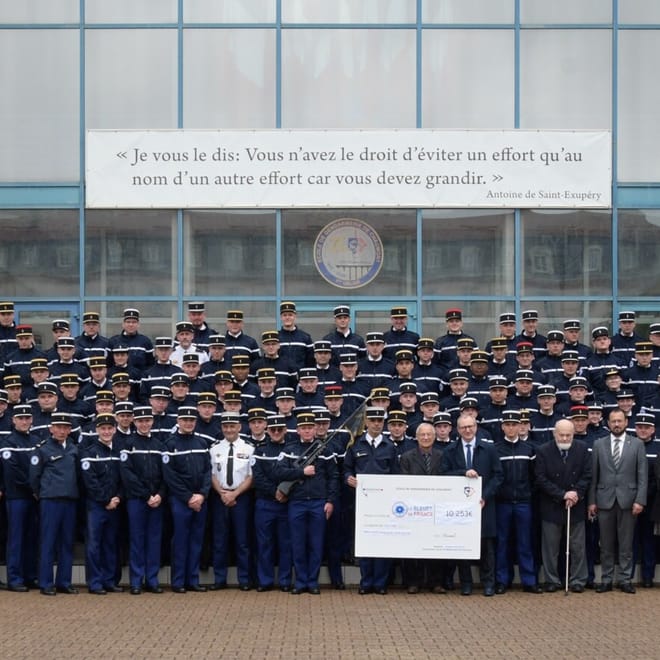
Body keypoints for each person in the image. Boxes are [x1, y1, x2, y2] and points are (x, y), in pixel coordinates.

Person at [440, 413, 503, 596]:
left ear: (476, 427)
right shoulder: (450, 450)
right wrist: (463, 472)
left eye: (470, 426)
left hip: (484, 505)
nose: (467, 430)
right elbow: (444, 475)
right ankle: (466, 583)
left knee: (486, 547)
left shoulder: (489, 449)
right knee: (463, 546)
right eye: (463, 427)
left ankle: (488, 583)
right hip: (460, 509)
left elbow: (499, 475)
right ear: (458, 430)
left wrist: (485, 496)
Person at [276, 411, 338, 594]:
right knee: (297, 543)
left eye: (310, 428)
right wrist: (301, 473)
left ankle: (313, 582)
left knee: (316, 544)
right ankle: (300, 581)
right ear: (298, 430)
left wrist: (331, 501)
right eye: (304, 428)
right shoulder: (289, 450)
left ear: (315, 428)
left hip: (318, 502)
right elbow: (279, 473)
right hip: (297, 502)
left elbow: (334, 477)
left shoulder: (325, 450)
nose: (308, 431)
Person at [588, 408, 648, 594]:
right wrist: (591, 501)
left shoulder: (637, 444)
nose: (616, 424)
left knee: (626, 543)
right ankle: (606, 579)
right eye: (613, 421)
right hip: (604, 500)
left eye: (619, 421)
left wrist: (640, 500)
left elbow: (642, 475)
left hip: (629, 501)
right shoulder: (599, 444)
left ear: (626, 422)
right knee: (605, 543)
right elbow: (593, 476)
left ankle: (624, 579)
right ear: (608, 423)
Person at [344, 406, 398, 594]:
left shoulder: (390, 447)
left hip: (383, 504)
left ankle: (380, 584)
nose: (376, 424)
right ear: (366, 422)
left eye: (380, 421)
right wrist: (348, 478)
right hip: (362, 503)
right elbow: (346, 469)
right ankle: (366, 582)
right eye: (373, 421)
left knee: (382, 544)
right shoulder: (355, 445)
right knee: (365, 543)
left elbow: (396, 474)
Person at [535, 418, 592, 592]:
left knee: (577, 546)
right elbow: (541, 478)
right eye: (562, 435)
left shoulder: (582, 449)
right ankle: (552, 580)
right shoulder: (543, 451)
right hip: (552, 505)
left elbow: (587, 474)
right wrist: (562, 494)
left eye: (568, 435)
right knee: (551, 547)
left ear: (574, 434)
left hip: (575, 504)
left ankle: (577, 580)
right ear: (554, 434)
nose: (565, 439)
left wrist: (575, 493)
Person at [29, 412, 80, 596]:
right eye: (58, 427)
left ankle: (64, 582)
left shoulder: (73, 448)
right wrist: (41, 494)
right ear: (51, 428)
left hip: (70, 501)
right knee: (48, 543)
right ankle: (46, 583)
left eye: (65, 428)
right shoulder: (42, 449)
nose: (61, 431)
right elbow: (34, 478)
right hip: (50, 501)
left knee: (66, 544)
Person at [162, 406, 211, 593]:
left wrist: (202, 494)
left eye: (191, 420)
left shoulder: (202, 443)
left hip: (200, 499)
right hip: (181, 501)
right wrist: (188, 497)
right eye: (185, 420)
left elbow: (208, 471)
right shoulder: (169, 444)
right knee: (181, 541)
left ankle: (193, 579)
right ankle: (178, 581)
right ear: (178, 421)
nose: (188, 423)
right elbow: (170, 476)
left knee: (196, 540)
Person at [119, 405, 167, 594]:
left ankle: (152, 580)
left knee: (154, 540)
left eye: (147, 420)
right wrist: (147, 496)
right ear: (134, 422)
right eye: (140, 421)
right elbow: (127, 475)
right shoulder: (127, 444)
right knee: (137, 540)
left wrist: (160, 495)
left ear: (152, 422)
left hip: (157, 500)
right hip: (137, 500)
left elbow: (166, 474)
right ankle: (137, 581)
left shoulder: (159, 445)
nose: (144, 424)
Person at [493, 410, 542, 594]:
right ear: (503, 426)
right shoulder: (496, 450)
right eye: (508, 424)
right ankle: (502, 581)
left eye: (515, 424)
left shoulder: (529, 449)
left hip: (523, 503)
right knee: (503, 543)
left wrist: (528, 493)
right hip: (503, 503)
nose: (512, 428)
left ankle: (529, 580)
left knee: (525, 543)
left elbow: (535, 476)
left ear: (521, 426)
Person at [208, 411, 254, 590]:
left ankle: (244, 579)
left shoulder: (249, 448)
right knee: (219, 541)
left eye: (232, 426)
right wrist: (222, 493)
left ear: (239, 427)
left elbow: (251, 476)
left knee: (242, 541)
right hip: (220, 497)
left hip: (241, 498)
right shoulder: (214, 448)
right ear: (222, 428)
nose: (229, 429)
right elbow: (211, 474)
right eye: (226, 426)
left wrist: (234, 495)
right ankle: (220, 579)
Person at [399, 422, 446, 594]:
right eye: (422, 435)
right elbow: (403, 483)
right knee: (413, 546)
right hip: (414, 509)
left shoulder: (442, 456)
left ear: (434, 437)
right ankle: (413, 581)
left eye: (429, 435)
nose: (426, 438)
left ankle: (436, 582)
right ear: (417, 437)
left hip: (436, 508)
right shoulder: (406, 457)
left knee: (436, 545)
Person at [79, 413, 123, 595]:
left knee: (111, 544)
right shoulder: (89, 452)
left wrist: (118, 497)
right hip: (97, 506)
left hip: (115, 505)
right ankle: (95, 582)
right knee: (94, 545)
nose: (106, 432)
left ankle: (110, 580)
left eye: (110, 428)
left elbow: (124, 479)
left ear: (114, 429)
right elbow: (90, 482)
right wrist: (106, 500)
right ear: (97, 430)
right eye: (103, 428)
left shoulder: (120, 451)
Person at [251, 414, 294, 592]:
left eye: (280, 429)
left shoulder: (292, 450)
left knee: (286, 544)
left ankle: (284, 581)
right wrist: (275, 492)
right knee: (264, 544)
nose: (276, 432)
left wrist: (284, 492)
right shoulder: (260, 451)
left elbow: (294, 474)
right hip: (265, 503)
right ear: (267, 430)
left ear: (285, 430)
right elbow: (258, 477)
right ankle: (265, 580)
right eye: (273, 429)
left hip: (286, 503)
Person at [0, 404, 39, 590]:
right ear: (13, 420)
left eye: (27, 418)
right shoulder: (8, 443)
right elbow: (12, 472)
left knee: (32, 537)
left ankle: (30, 576)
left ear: (32, 420)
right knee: (16, 538)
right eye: (20, 418)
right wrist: (32, 487)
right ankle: (14, 579)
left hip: (34, 497)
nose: (24, 421)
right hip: (17, 497)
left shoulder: (37, 440)